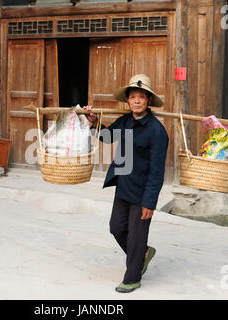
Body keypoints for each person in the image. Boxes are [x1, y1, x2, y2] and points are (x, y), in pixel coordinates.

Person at [85, 74, 169, 293]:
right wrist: (94, 122)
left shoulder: (157, 131)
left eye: (141, 97)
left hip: (142, 191)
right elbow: (107, 136)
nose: (137, 101)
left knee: (136, 236)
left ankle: (132, 278)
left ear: (148, 100)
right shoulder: (125, 121)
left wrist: (150, 202)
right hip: (124, 185)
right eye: (133, 97)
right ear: (128, 100)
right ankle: (143, 253)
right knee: (116, 227)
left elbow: (157, 171)